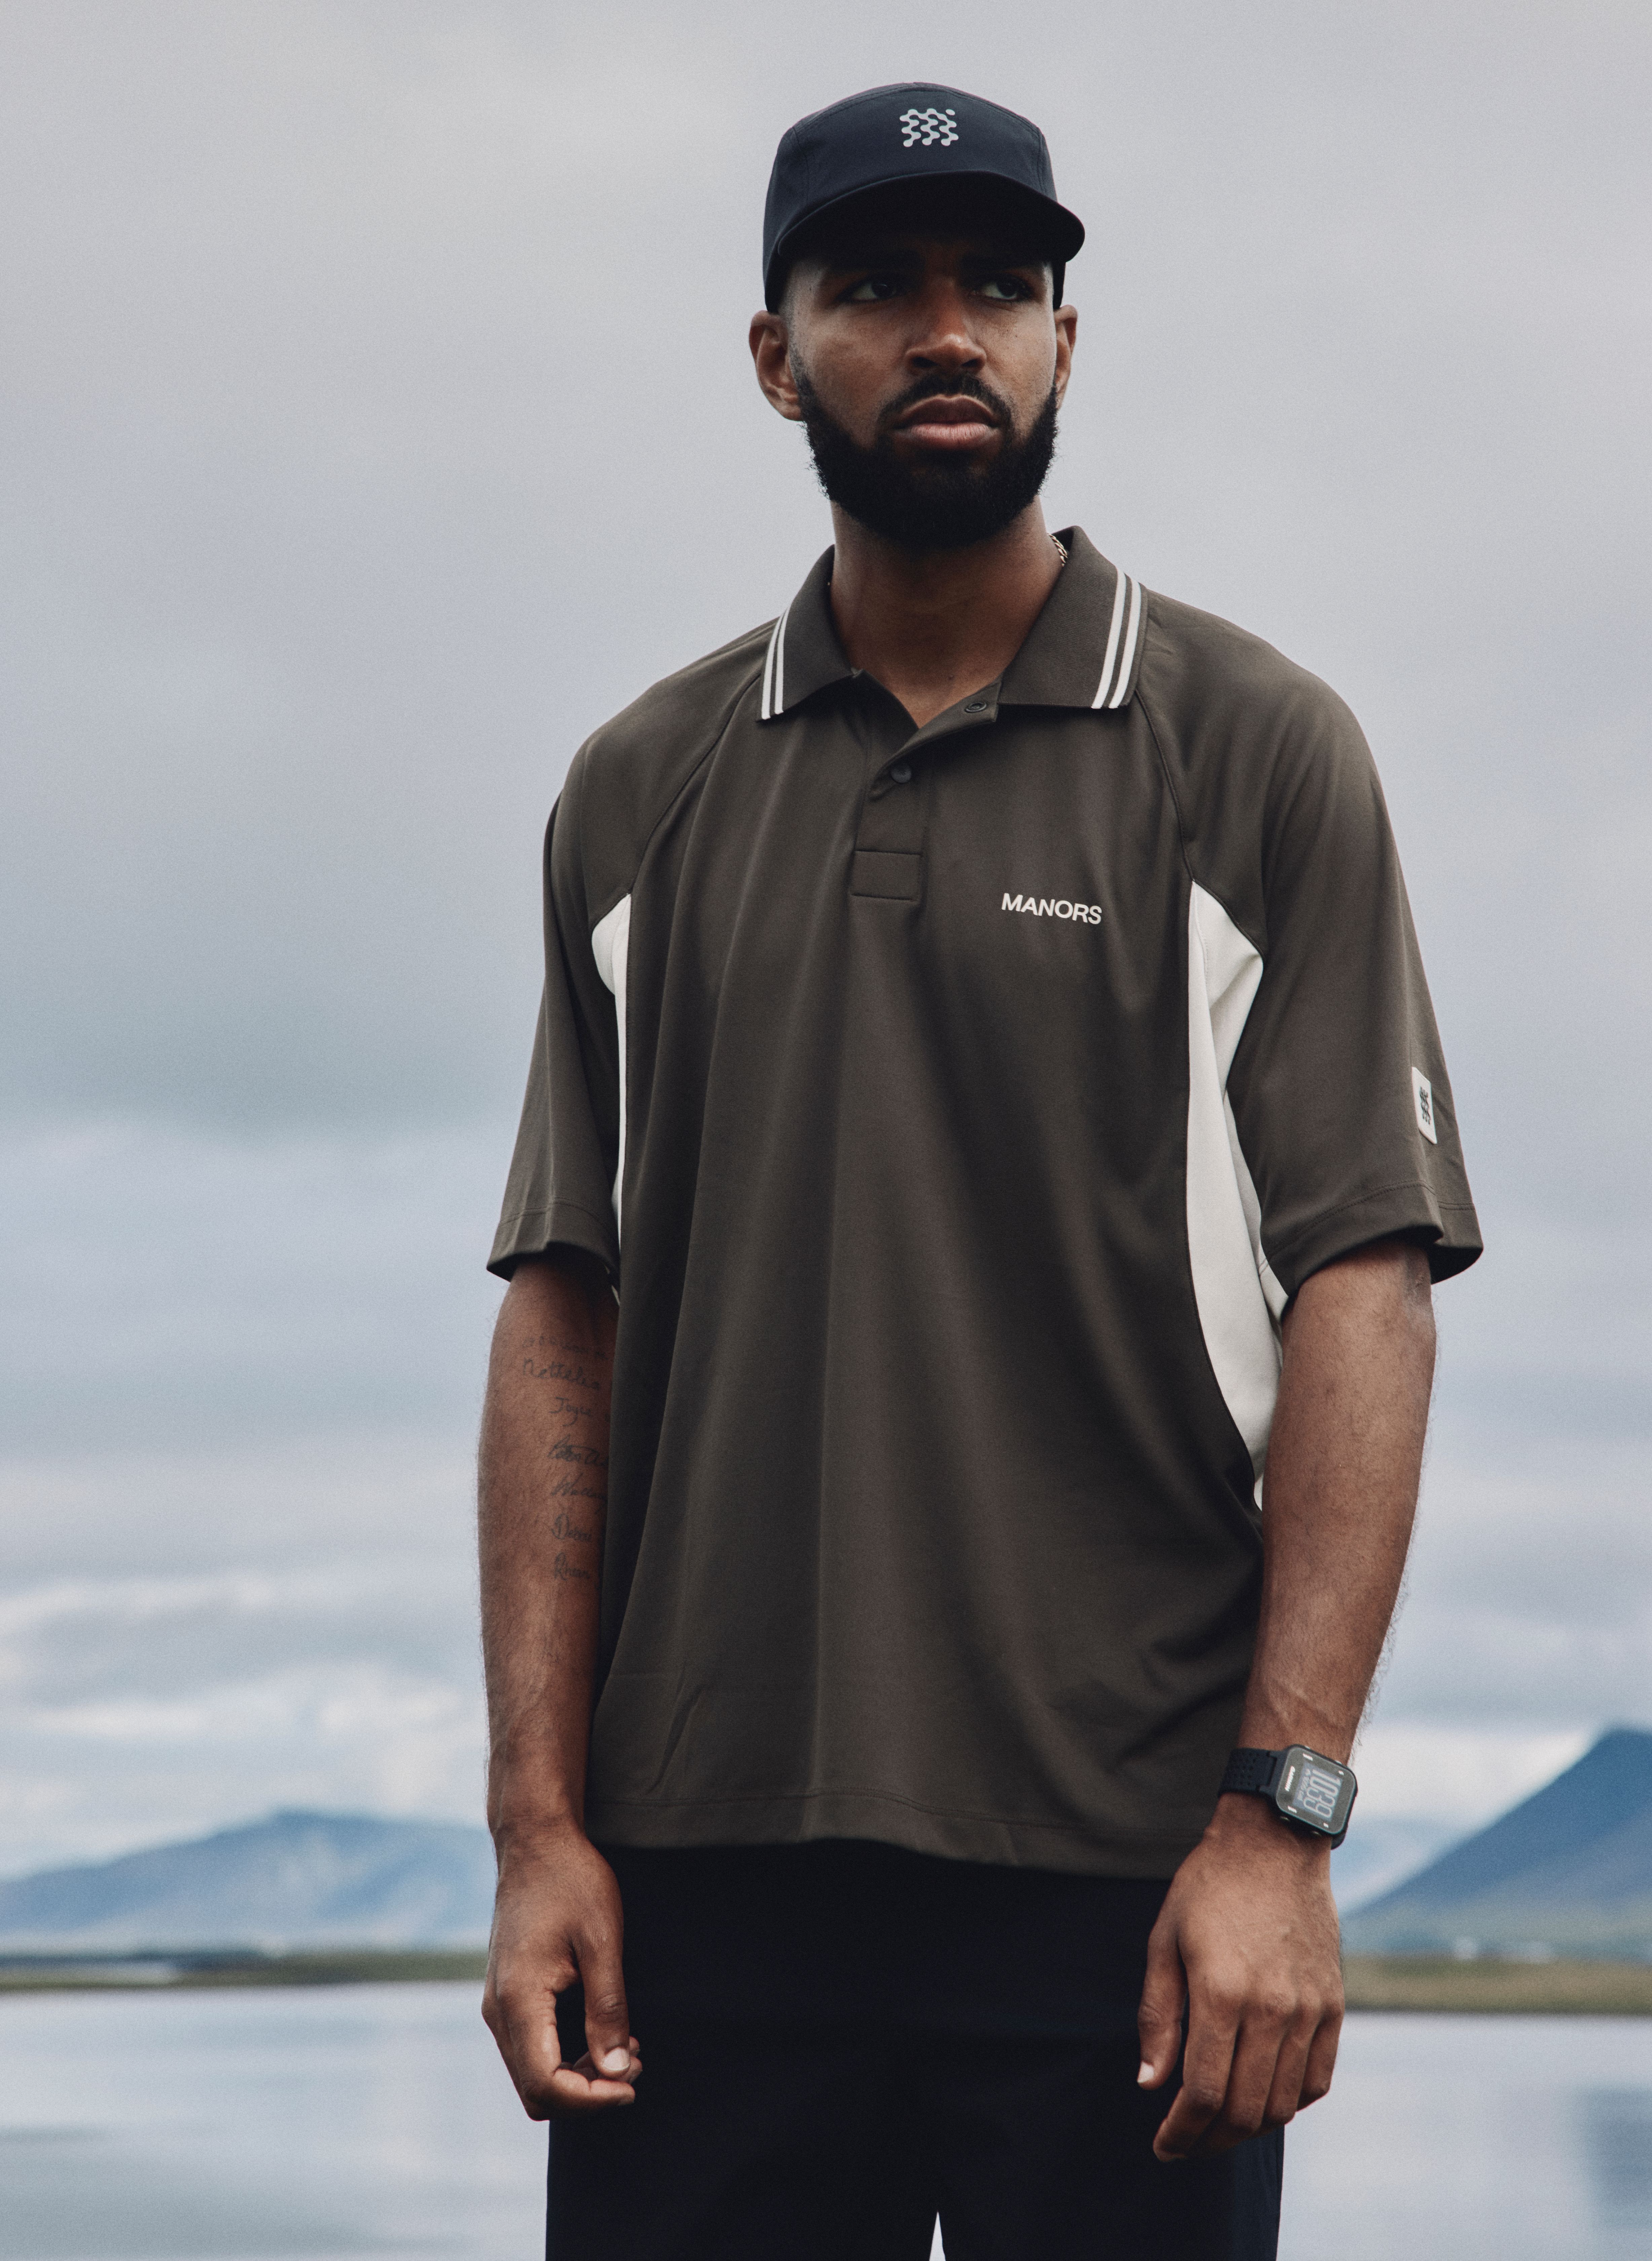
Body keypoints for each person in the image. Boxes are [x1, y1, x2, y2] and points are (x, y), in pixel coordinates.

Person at [476, 80, 1480, 2261]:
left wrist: (1281, 1820)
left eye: (1000, 286)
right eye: (874, 286)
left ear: (1062, 341)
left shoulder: (1255, 753)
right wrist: (536, 1824)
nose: (948, 331)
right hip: (698, 1882)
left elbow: (1365, 1291)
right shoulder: (636, 792)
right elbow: (566, 1306)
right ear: (776, 358)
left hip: (1127, 1884)